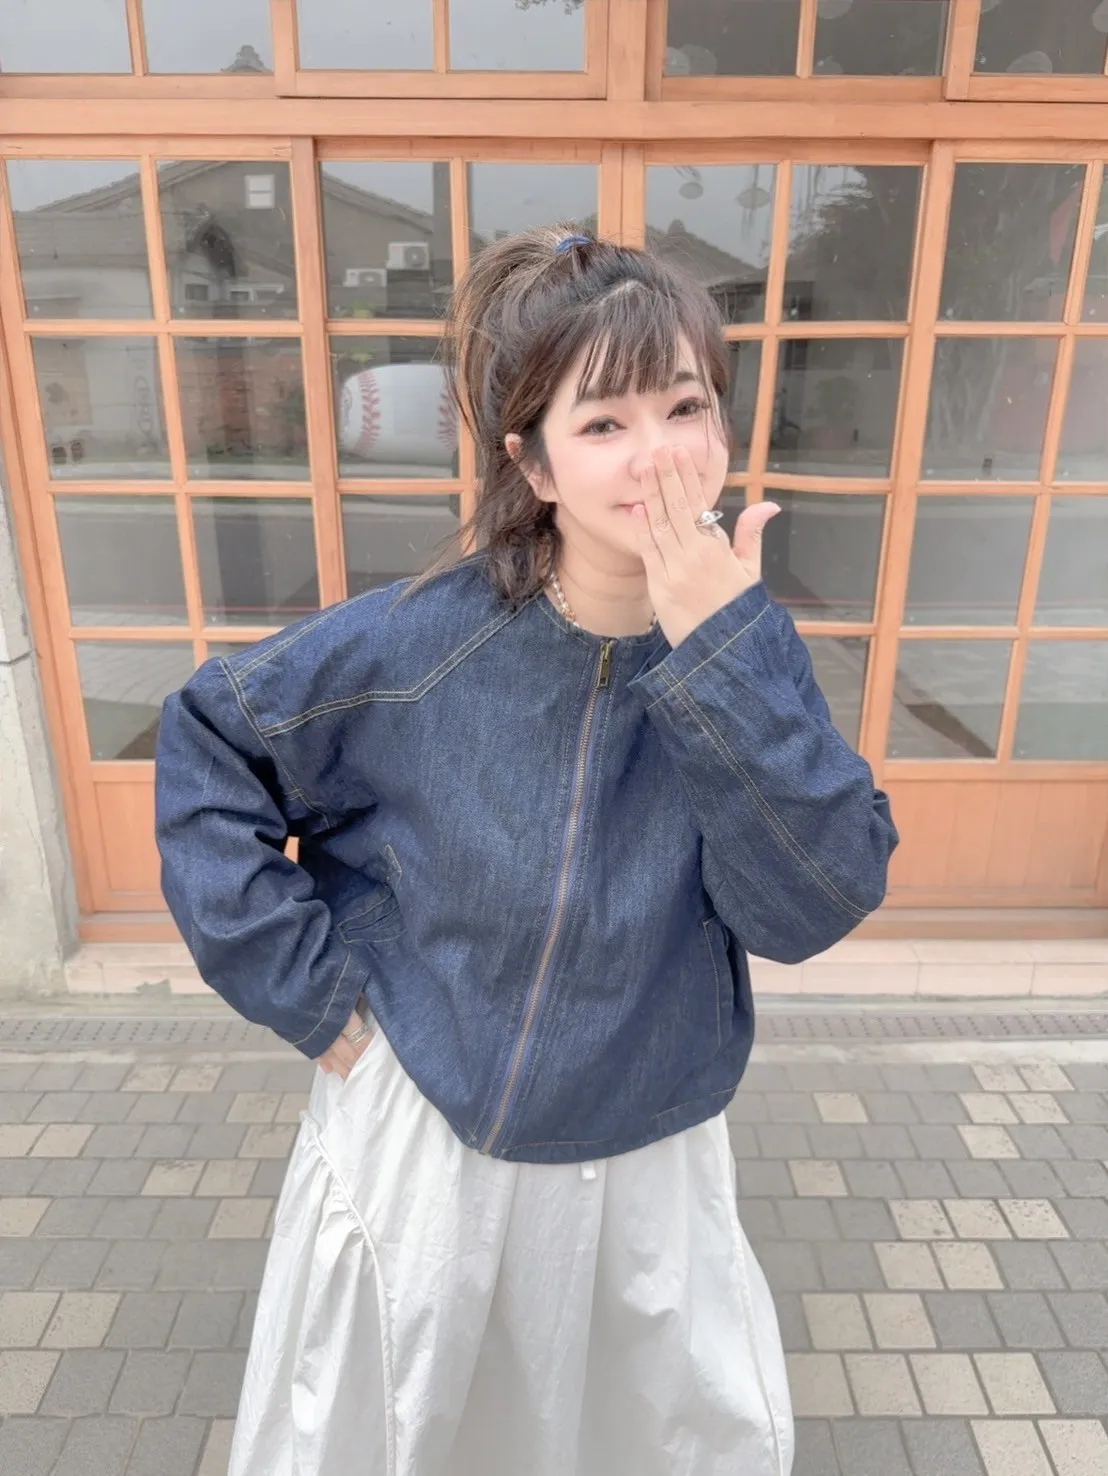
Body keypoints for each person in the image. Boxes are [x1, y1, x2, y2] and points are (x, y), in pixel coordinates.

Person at [154, 225, 898, 1476]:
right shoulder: (417, 645)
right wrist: (311, 996)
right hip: (429, 1146)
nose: (658, 454)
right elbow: (209, 741)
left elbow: (811, 902)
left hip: (650, 1157)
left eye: (684, 406)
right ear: (532, 462)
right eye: (603, 422)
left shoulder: (746, 643)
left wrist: (722, 655)